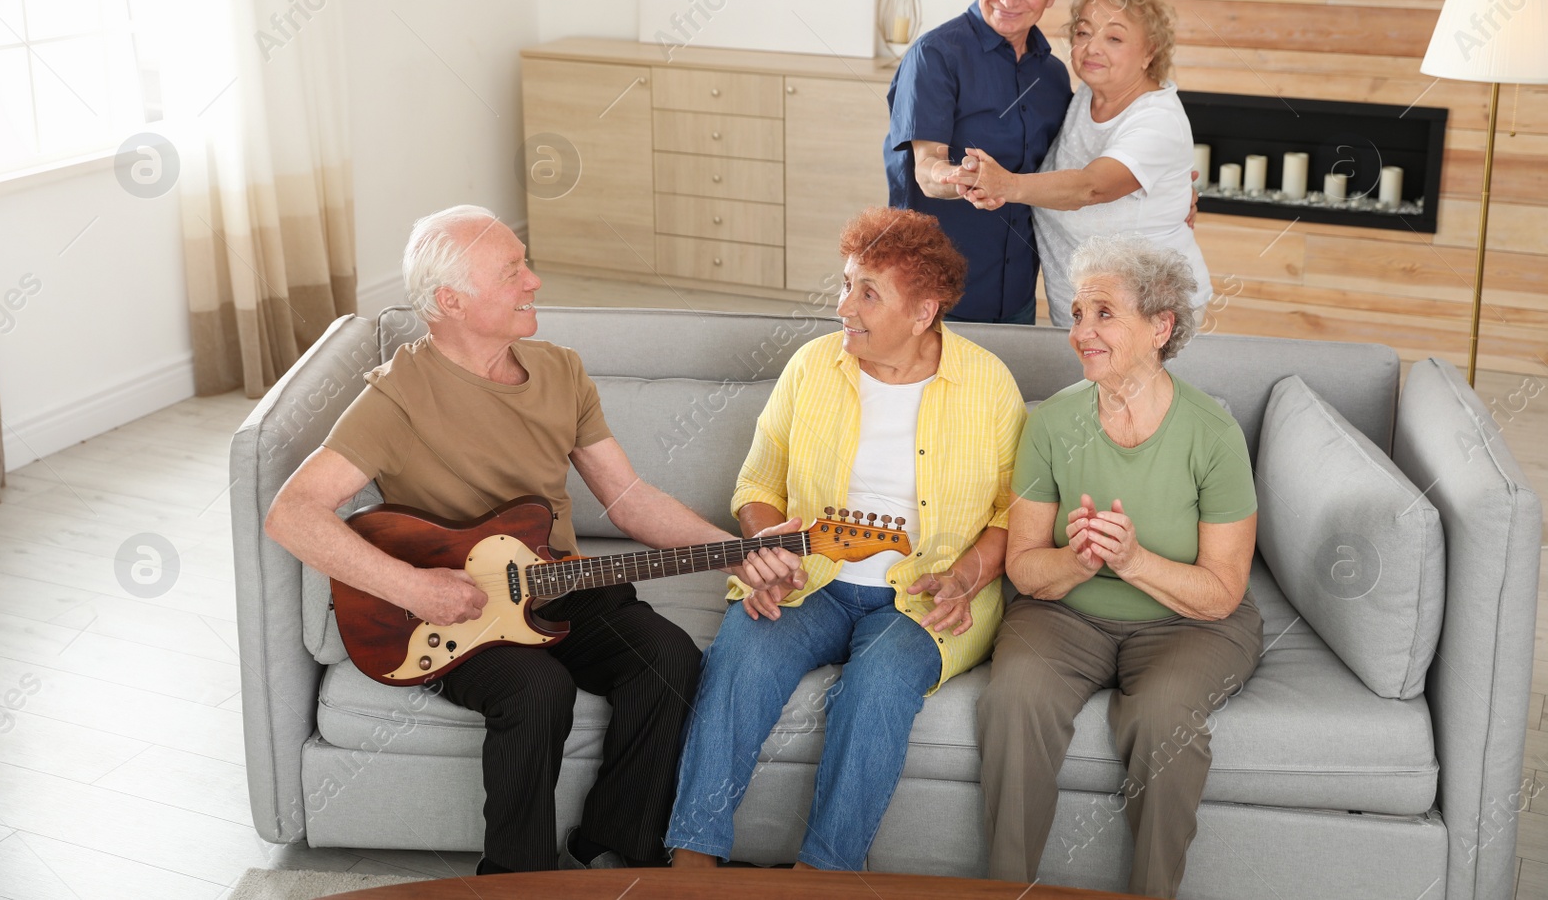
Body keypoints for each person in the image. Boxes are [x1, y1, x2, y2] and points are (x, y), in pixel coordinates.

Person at [264, 205, 801, 874]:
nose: (534, 281)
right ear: (452, 301)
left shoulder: (561, 371)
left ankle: (606, 854)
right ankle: (514, 883)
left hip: (558, 583)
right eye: (512, 270)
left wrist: (739, 549)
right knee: (535, 687)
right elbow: (292, 513)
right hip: (450, 612)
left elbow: (629, 499)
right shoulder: (397, 398)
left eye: (526, 263)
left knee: (668, 658)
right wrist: (415, 587)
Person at [666, 208, 1023, 871]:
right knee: (741, 653)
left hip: (925, 593)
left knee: (879, 684)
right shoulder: (812, 367)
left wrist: (967, 577)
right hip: (814, 580)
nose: (842, 306)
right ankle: (691, 862)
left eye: (867, 292)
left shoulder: (989, 385)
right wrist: (767, 547)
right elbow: (756, 482)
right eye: (846, 283)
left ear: (923, 312)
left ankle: (823, 874)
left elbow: (1013, 512)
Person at [977, 236, 1262, 898]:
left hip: (1187, 623)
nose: (1082, 331)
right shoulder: (1051, 424)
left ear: (1160, 326)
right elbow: (1023, 566)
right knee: (1016, 697)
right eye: (1077, 313)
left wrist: (1132, 559)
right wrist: (1078, 560)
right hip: (1066, 615)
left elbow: (1221, 590)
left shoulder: (1212, 434)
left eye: (1104, 313)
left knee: (1164, 717)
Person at [949, 0, 1213, 327]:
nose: (1092, 48)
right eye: (1084, 32)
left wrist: (1006, 185)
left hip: (1148, 313)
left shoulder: (1158, 120)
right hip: (1081, 309)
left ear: (1150, 51)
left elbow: (1092, 187)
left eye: (1115, 37)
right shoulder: (1085, 96)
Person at [884, 0, 1072, 325]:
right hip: (934, 299)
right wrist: (962, 176)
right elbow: (927, 171)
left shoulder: (1054, 76)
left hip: (1019, 295)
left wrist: (1165, 189)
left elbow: (1074, 162)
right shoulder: (935, 55)